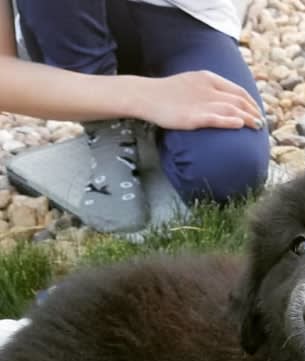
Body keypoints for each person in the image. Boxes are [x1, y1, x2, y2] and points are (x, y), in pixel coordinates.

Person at [0, 1, 270, 231]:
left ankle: (153, 112)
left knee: (227, 169)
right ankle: (107, 125)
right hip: (68, 28)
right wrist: (142, 96)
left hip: (183, 17)